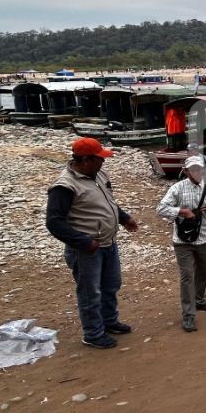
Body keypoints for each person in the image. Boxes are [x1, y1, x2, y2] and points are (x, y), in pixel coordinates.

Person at [45, 137, 139, 349]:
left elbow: (108, 202)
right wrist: (84, 242)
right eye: (99, 159)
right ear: (85, 160)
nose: (103, 162)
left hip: (108, 243)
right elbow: (54, 222)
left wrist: (123, 218)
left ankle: (109, 321)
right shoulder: (64, 186)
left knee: (110, 286)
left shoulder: (98, 174)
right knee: (90, 293)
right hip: (86, 250)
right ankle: (93, 334)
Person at [157, 155, 206, 332]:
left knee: (202, 271)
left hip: (204, 237)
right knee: (187, 276)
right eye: (193, 170)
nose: (196, 172)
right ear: (186, 171)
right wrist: (181, 211)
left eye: (199, 169)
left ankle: (200, 300)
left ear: (203, 170)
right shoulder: (177, 188)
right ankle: (188, 315)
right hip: (182, 240)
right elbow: (161, 208)